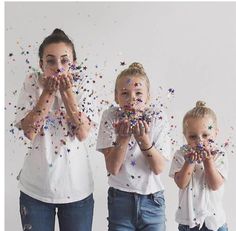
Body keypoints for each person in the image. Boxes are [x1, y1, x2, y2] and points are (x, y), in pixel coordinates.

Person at [14, 28, 98, 231]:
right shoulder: (32, 82)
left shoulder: (83, 83)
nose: (58, 67)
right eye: (50, 61)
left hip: (77, 189)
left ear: (73, 63)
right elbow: (29, 132)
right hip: (36, 190)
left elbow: (83, 132)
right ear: (41, 64)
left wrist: (67, 92)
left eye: (64, 61)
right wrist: (48, 92)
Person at [96, 62, 171, 231]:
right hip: (120, 199)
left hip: (152, 201)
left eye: (138, 93)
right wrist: (122, 138)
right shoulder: (111, 116)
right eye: (125, 93)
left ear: (148, 97)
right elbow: (113, 168)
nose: (132, 100)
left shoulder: (157, 117)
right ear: (116, 97)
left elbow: (158, 168)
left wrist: (143, 139)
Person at [169, 101, 228, 231]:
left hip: (214, 221)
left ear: (215, 133)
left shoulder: (219, 155)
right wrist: (189, 162)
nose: (199, 141)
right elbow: (181, 183)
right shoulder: (181, 154)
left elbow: (215, 185)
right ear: (185, 136)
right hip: (188, 221)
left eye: (205, 135)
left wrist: (208, 161)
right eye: (193, 136)